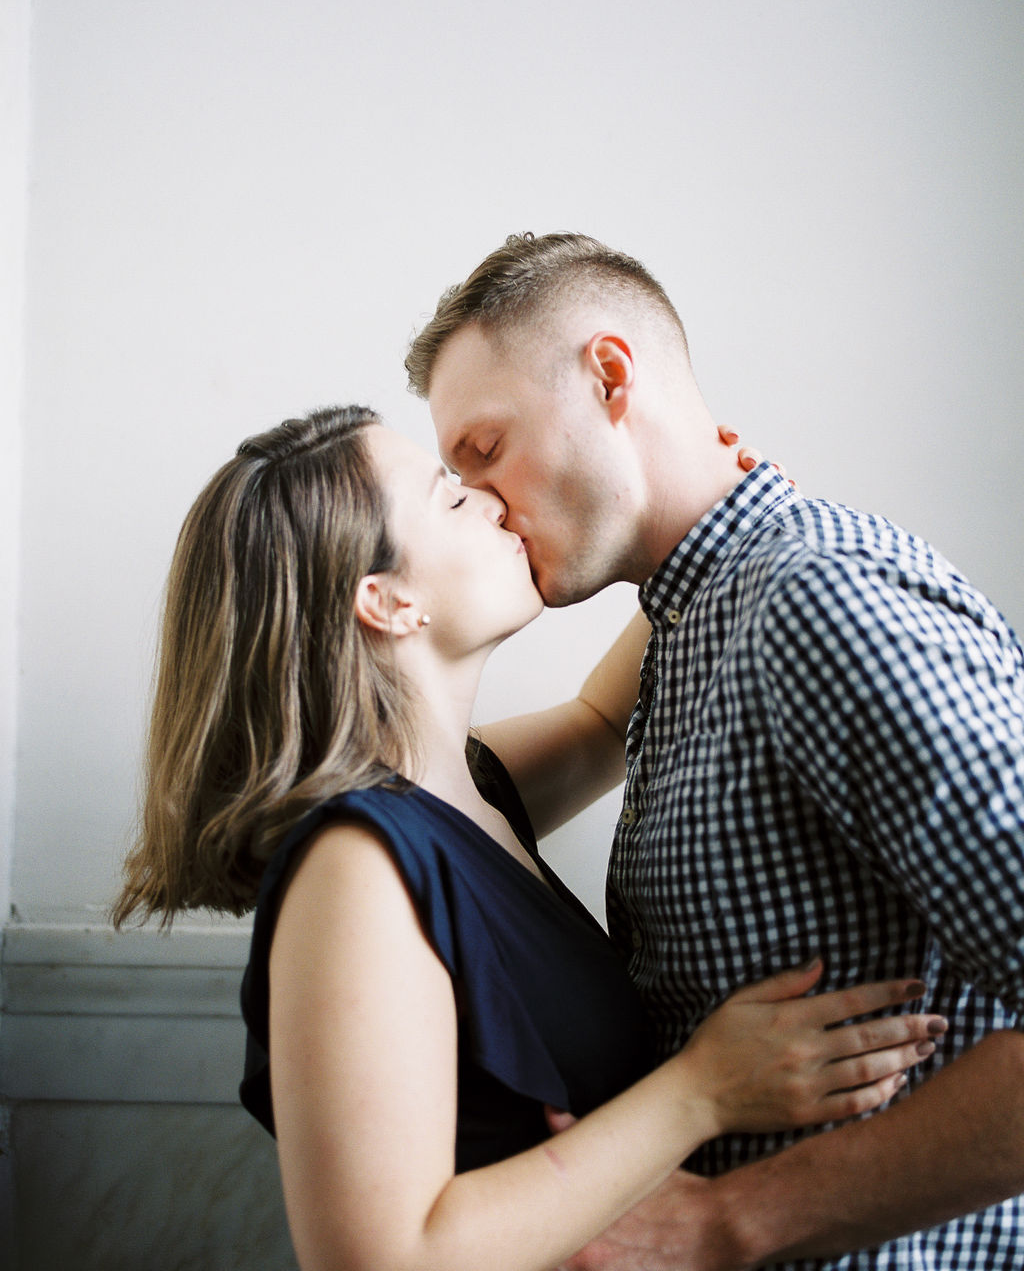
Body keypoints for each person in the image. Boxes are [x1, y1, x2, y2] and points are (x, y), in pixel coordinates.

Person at [112, 405, 943, 1271]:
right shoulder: (354, 866)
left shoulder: (468, 789)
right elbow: (383, 1257)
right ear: (387, 601)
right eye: (449, 498)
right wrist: (704, 1093)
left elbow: (597, 723)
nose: (492, 502)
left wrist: (703, 507)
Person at [406, 231, 1024, 1270]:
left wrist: (730, 1220)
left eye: (485, 448)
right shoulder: (697, 620)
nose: (484, 499)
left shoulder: (815, 605)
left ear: (610, 376)